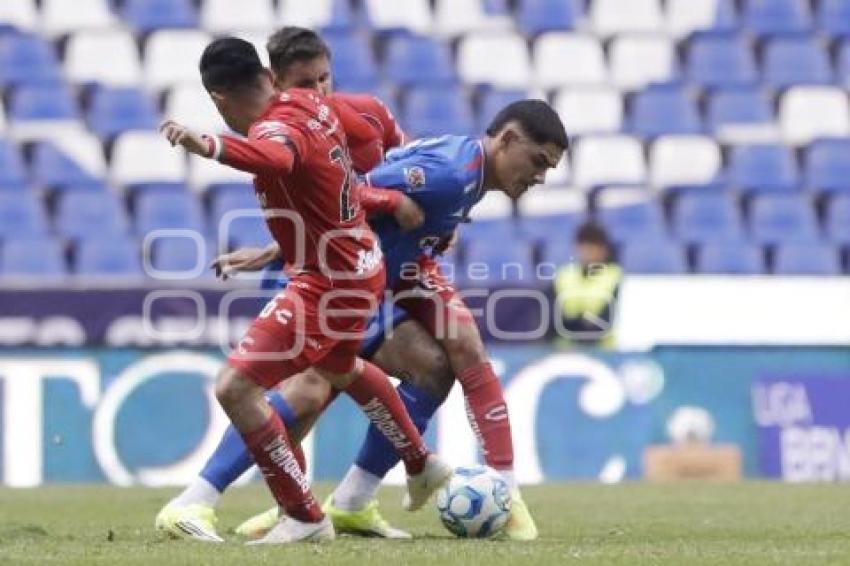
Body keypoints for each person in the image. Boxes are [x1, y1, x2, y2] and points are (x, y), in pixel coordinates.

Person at [222, 99, 568, 542]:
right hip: (346, 275)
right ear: (509, 139)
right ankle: (212, 496)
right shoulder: (450, 173)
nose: (541, 177)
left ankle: (494, 490)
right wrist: (279, 250)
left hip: (401, 268)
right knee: (309, 390)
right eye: (539, 162)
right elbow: (344, 193)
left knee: (459, 347)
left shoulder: (470, 173)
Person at [159, 37, 451, 544]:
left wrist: (208, 145)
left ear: (218, 100)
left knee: (235, 387)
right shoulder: (313, 105)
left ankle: (303, 515)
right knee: (341, 367)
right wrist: (278, 249)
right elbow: (331, 178)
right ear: (270, 77)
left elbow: (276, 157)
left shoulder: (274, 127)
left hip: (326, 282)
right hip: (360, 263)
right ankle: (421, 462)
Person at [553, 221, 621, 348]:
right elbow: (552, 319)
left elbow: (603, 322)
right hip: (565, 351)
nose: (589, 252)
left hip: (602, 352)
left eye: (594, 247)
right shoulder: (563, 276)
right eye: (585, 246)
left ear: (604, 250)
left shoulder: (614, 276)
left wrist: (572, 324)